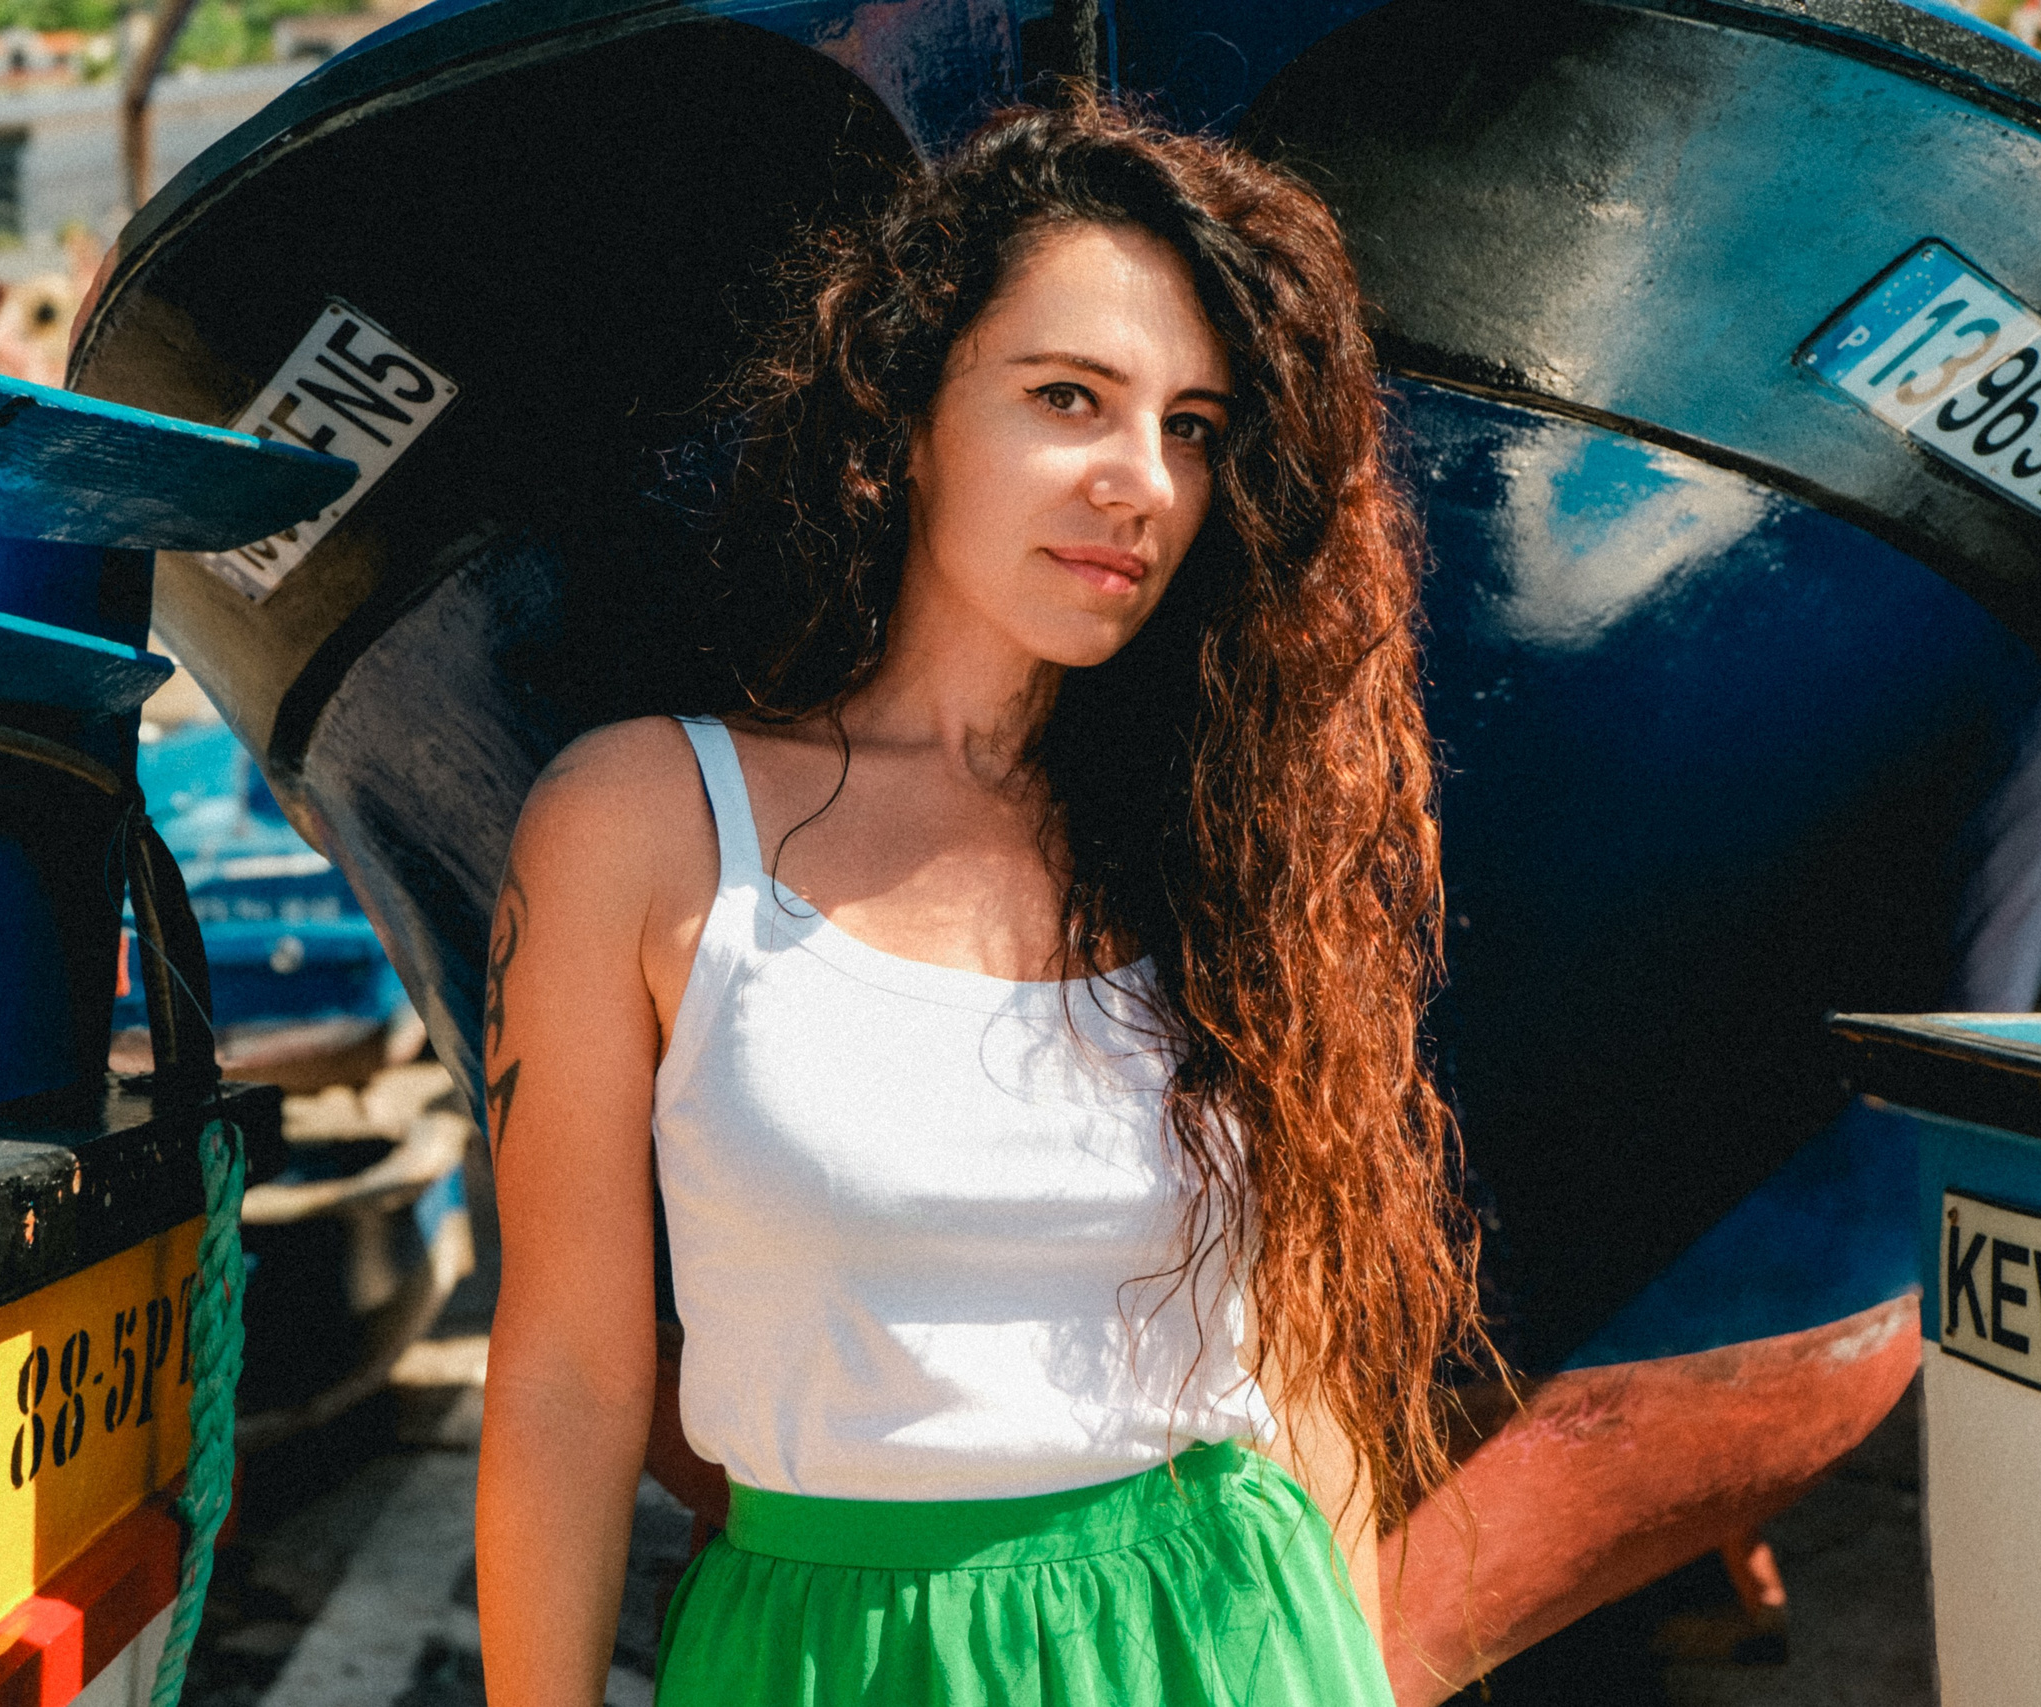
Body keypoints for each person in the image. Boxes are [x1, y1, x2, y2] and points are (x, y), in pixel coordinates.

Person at [475, 92, 1487, 1706]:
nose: (1143, 482)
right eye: (1071, 397)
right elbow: (571, 1386)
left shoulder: (1225, 843)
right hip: (829, 1653)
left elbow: (1302, 1381)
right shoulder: (642, 824)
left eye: (1195, 428)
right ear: (908, 410)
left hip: (1223, 1635)